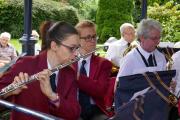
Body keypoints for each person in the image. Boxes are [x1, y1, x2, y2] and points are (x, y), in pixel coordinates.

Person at [0, 21, 81, 120]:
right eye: (72, 48)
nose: (77, 54)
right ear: (54, 46)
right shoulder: (25, 64)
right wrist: (9, 92)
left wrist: (53, 96)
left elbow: (74, 114)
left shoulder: (70, 73)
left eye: (77, 48)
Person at [74, 20, 113, 120]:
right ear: (77, 40)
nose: (92, 40)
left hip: (95, 109)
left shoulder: (104, 63)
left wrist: (76, 76)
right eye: (87, 37)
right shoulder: (67, 61)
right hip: (72, 106)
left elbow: (99, 90)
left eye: (94, 36)